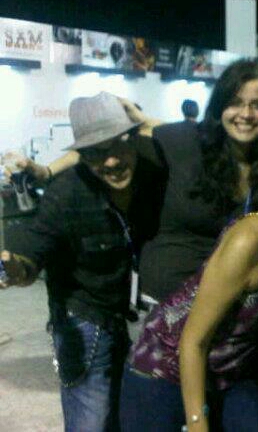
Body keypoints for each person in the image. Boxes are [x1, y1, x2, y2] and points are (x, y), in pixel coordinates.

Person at [120, 135, 258, 431]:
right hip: (168, 365)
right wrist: (197, 423)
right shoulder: (250, 239)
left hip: (233, 370)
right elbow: (193, 340)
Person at [16, 59, 258, 305]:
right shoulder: (185, 142)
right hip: (171, 308)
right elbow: (103, 148)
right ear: (220, 106)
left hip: (235, 306)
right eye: (235, 103)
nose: (246, 113)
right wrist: (46, 171)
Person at [0, 92, 153, 431]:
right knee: (91, 423)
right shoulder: (66, 193)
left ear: (134, 139)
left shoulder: (151, 175)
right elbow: (32, 252)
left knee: (127, 418)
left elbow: (195, 138)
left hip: (133, 319)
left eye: (116, 145)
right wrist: (14, 268)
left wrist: (141, 117)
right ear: (82, 156)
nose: (110, 161)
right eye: (96, 152)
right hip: (84, 320)